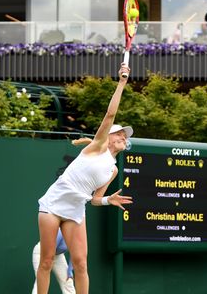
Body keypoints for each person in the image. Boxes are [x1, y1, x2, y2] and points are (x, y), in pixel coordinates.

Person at [36, 63, 134, 294]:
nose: (122, 136)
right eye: (119, 133)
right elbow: (111, 114)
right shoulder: (97, 147)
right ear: (107, 137)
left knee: (80, 264)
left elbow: (95, 199)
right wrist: (121, 82)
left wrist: (109, 200)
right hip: (53, 205)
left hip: (76, 210)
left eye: (125, 135)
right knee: (47, 261)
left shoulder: (113, 170)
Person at [31, 229, 75, 294]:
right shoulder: (60, 232)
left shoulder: (76, 234)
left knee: (68, 281)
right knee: (41, 282)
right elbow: (49, 252)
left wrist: (70, 271)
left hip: (58, 256)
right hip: (41, 253)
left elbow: (75, 253)